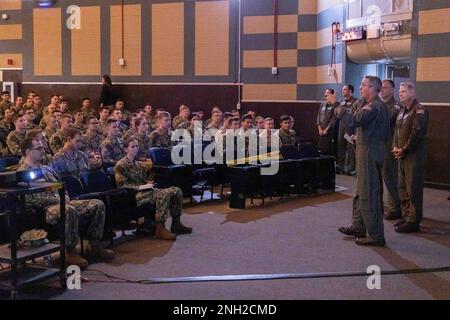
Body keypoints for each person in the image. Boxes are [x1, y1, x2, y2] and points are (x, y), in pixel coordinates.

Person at [18, 137, 114, 268]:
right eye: (39, 148)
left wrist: (66, 196)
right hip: (45, 209)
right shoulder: (22, 173)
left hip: (62, 202)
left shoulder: (46, 169)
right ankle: (71, 252)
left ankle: (94, 244)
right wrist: (58, 200)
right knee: (68, 210)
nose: (43, 150)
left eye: (42, 147)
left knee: (97, 204)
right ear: (28, 151)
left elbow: (61, 186)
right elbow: (29, 200)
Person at [338, 76, 389, 246]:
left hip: (370, 151)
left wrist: (346, 109)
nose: (360, 87)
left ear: (373, 88)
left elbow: (355, 120)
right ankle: (358, 226)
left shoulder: (374, 106)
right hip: (364, 148)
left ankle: (375, 235)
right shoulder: (367, 104)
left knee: (369, 192)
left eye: (364, 85)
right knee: (361, 190)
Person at [114, 138, 192, 240]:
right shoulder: (120, 165)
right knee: (163, 194)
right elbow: (121, 185)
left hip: (145, 191)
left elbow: (143, 180)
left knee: (176, 190)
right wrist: (139, 187)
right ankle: (160, 228)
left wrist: (148, 184)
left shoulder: (138, 164)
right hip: (133, 195)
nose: (135, 149)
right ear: (125, 149)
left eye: (137, 146)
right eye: (132, 146)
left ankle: (176, 223)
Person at [392, 82, 429, 233]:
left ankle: (414, 221)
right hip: (401, 154)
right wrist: (395, 146)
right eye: (399, 91)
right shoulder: (401, 111)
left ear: (412, 93)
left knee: (413, 188)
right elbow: (396, 131)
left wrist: (404, 149)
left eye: (403, 91)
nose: (400, 94)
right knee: (402, 188)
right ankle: (407, 216)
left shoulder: (419, 110)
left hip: (413, 155)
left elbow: (416, 133)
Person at [380, 79, 402, 220]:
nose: (382, 90)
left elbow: (386, 119)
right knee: (379, 176)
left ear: (392, 89)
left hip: (389, 143)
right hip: (378, 143)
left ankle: (395, 207)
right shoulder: (379, 104)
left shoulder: (396, 106)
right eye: (381, 88)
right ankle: (384, 204)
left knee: (390, 176)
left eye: (385, 88)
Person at [335, 84, 358, 174]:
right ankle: (341, 167)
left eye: (345, 89)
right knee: (341, 147)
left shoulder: (356, 101)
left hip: (350, 129)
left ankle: (351, 168)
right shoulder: (340, 101)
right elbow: (337, 115)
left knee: (350, 148)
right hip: (342, 128)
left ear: (350, 91)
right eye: (343, 89)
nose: (342, 91)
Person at [317, 89, 338, 156]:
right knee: (321, 149)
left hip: (329, 132)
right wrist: (319, 128)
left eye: (327, 94)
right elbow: (319, 116)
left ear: (332, 95)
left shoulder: (335, 105)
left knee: (329, 150)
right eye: (325, 95)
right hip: (321, 131)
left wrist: (327, 129)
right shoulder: (322, 104)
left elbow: (333, 119)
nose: (326, 96)